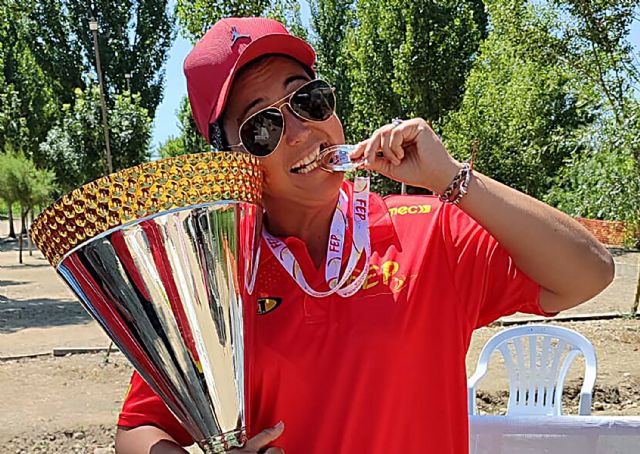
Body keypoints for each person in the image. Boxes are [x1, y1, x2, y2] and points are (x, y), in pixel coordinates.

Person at [114, 17, 614, 454]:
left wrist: (452, 180)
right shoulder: (215, 284)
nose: (301, 131)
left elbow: (588, 272)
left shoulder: (430, 228)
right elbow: (139, 426)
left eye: (308, 100)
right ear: (229, 158)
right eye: (262, 125)